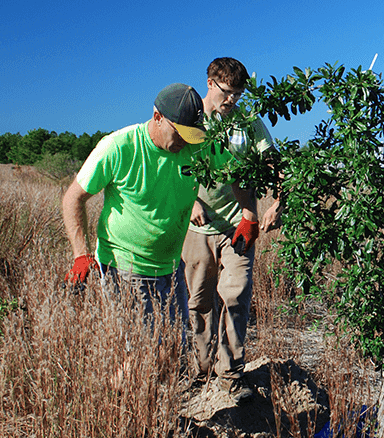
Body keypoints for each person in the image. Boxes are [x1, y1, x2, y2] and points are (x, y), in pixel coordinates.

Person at [62, 83, 205, 343]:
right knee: (136, 354)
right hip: (124, 268)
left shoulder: (194, 148)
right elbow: (74, 197)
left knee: (175, 345)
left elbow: (237, 170)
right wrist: (81, 255)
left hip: (171, 267)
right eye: (180, 133)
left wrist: (249, 214)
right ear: (158, 118)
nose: (185, 141)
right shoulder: (118, 147)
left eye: (191, 134)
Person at [182, 58, 281, 389]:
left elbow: (274, 165)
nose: (232, 101)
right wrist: (190, 200)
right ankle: (200, 370)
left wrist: (277, 204)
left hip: (239, 227)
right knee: (198, 303)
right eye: (227, 93)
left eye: (238, 95)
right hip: (196, 228)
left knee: (235, 297)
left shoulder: (248, 125)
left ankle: (231, 375)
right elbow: (169, 164)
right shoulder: (189, 120)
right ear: (210, 82)